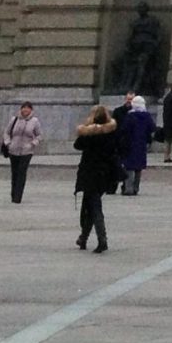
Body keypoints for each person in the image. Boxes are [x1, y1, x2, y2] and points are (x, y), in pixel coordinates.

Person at [73, 105, 121, 253]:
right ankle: (83, 238)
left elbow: (77, 145)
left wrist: (87, 129)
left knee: (94, 207)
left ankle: (102, 239)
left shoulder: (89, 133)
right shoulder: (111, 131)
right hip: (105, 174)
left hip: (90, 173)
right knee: (91, 206)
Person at [1, 102, 44, 204]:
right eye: (23, 108)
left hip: (27, 151)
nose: (25, 110)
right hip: (13, 150)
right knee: (14, 173)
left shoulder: (34, 121)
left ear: (31, 110)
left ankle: (18, 197)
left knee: (22, 172)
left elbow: (40, 135)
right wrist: (8, 143)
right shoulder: (14, 119)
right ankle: (13, 194)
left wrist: (32, 144)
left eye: (28, 108)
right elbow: (7, 132)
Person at [119, 93, 157, 195]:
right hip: (141, 144)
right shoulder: (146, 116)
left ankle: (128, 188)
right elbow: (152, 128)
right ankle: (136, 188)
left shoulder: (130, 116)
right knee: (138, 168)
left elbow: (123, 130)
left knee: (129, 167)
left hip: (130, 144)